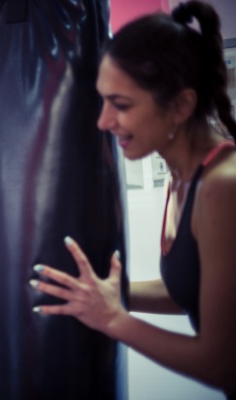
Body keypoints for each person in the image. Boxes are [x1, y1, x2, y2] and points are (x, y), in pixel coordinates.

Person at [29, 1, 236, 397]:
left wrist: (112, 318)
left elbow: (222, 363)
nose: (103, 121)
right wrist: (108, 292)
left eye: (121, 105)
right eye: (103, 100)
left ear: (180, 106)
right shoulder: (182, 180)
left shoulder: (223, 186)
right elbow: (189, 290)